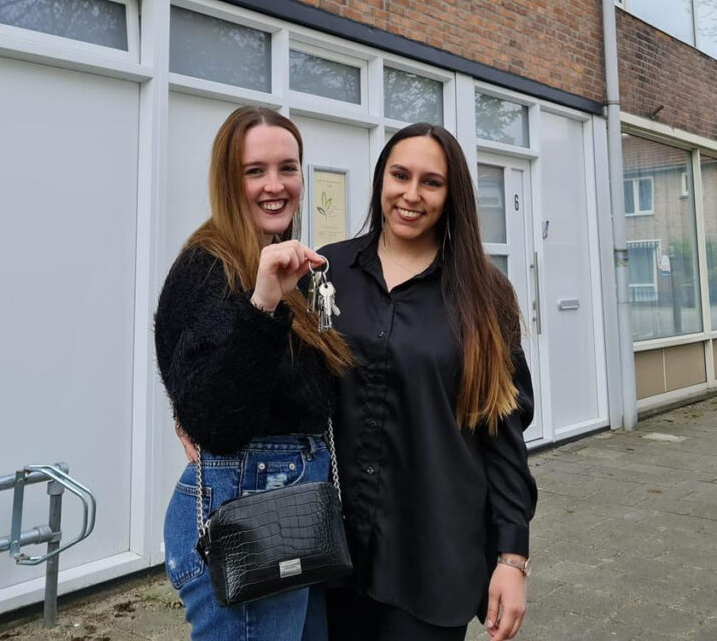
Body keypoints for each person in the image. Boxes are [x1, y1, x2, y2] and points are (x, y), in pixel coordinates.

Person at [319, 124, 538, 641]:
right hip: (331, 556)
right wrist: (195, 411)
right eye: (400, 175)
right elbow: (292, 385)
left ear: (452, 194)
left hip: (432, 555)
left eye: (431, 182)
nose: (411, 195)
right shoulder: (329, 273)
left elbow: (504, 432)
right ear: (381, 181)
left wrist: (512, 557)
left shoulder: (486, 294)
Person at [154, 106, 353, 641]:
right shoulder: (209, 266)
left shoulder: (280, 259)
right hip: (247, 522)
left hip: (292, 516)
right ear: (227, 178)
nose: (275, 185)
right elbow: (216, 421)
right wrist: (262, 304)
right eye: (255, 171)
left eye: (288, 168)